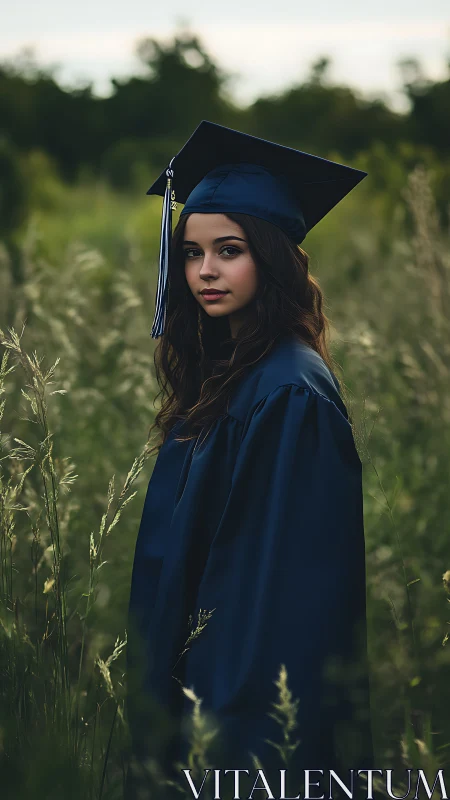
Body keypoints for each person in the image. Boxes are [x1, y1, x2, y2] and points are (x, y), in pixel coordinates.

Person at [126, 121, 374, 799]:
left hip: (238, 716)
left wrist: (222, 742)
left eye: (229, 251)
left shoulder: (288, 392)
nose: (205, 271)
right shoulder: (230, 370)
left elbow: (278, 599)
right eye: (192, 252)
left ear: (272, 255)